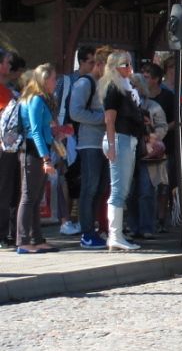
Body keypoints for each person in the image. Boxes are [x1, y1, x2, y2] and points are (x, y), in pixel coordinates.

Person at [100, 51, 144, 251]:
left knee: (123, 190)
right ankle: (115, 235)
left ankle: (117, 234)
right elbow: (109, 119)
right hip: (120, 139)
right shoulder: (114, 88)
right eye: (125, 64)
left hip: (128, 139)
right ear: (115, 67)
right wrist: (112, 144)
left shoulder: (126, 87)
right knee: (118, 190)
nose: (130, 68)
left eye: (130, 63)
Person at [68, 45, 110, 249]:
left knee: (100, 188)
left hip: (103, 142)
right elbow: (75, 112)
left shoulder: (102, 83)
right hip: (89, 143)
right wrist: (103, 118)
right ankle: (86, 232)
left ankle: (92, 229)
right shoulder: (84, 83)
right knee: (90, 188)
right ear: (99, 64)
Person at [15, 63, 60, 254]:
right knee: (28, 197)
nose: (55, 82)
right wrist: (46, 159)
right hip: (33, 151)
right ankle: (23, 240)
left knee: (35, 197)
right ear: (44, 80)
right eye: (53, 78)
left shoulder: (40, 98)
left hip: (38, 150)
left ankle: (36, 238)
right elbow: (34, 131)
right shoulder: (35, 99)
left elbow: (43, 129)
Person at [53, 45, 96, 236]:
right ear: (82, 62)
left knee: (81, 179)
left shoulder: (96, 82)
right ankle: (66, 220)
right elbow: (55, 106)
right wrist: (58, 133)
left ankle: (78, 220)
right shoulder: (68, 81)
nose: (94, 65)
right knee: (65, 176)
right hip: (66, 137)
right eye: (91, 62)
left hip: (84, 136)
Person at [127, 73, 168, 239]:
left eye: (135, 85)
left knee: (146, 191)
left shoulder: (153, 106)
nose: (133, 88)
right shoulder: (125, 106)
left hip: (147, 154)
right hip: (130, 152)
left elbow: (163, 126)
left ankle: (147, 227)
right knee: (130, 192)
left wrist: (152, 136)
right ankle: (133, 226)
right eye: (131, 85)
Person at [144, 63, 176, 233]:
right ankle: (148, 218)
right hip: (145, 146)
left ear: (156, 79)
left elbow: (176, 119)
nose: (144, 79)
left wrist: (161, 130)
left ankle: (161, 218)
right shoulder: (139, 97)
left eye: (147, 77)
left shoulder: (168, 97)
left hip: (165, 145)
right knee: (147, 185)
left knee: (163, 184)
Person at [0, 48, 17, 248]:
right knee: (3, 190)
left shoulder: (8, 88)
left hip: (10, 146)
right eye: (6, 62)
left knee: (9, 190)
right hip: (3, 146)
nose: (9, 66)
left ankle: (8, 231)